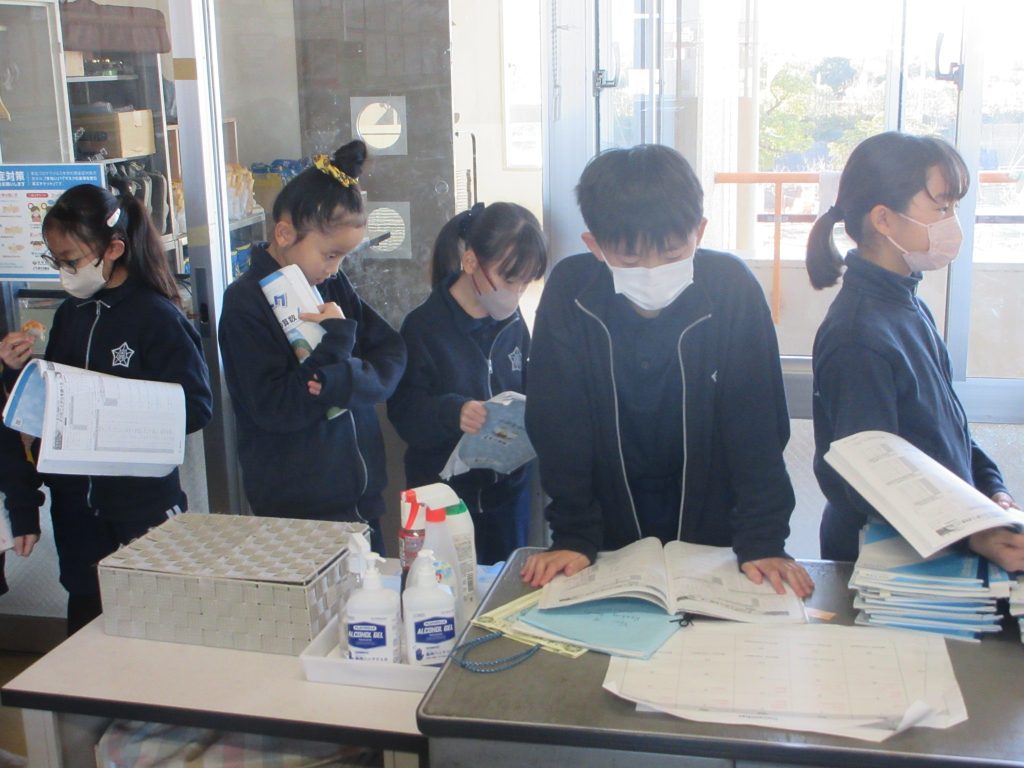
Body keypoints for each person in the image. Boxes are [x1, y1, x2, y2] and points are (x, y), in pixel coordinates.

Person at [520, 144, 813, 597]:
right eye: (631, 260)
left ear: (700, 231)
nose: (653, 271)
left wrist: (763, 539)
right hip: (606, 537)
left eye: (673, 254)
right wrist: (574, 534)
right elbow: (559, 423)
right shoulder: (570, 292)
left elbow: (756, 422)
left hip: (716, 534)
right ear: (594, 245)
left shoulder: (731, 287)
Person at [0, 182, 212, 633]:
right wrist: (16, 373)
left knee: (154, 622)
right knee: (86, 617)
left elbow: (197, 406)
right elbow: (50, 407)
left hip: (141, 505)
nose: (65, 272)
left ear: (113, 249)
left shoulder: (156, 316)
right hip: (77, 507)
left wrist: (120, 414)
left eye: (71, 261)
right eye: (56, 261)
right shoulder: (70, 314)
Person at [805, 132, 1023, 570]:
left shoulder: (907, 304)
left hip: (939, 542)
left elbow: (949, 431)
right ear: (884, 219)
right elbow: (871, 482)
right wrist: (973, 533)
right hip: (883, 561)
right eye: (941, 208)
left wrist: (993, 493)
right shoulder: (857, 334)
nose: (952, 222)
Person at [219, 140, 405, 553]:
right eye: (330, 254)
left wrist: (342, 381)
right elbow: (274, 407)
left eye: (343, 258)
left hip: (362, 497)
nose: (334, 269)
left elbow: (391, 355)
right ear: (285, 233)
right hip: (296, 511)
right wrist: (336, 345)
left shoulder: (329, 284)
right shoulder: (246, 303)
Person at [387, 202, 547, 564]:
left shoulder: (512, 322)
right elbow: (404, 413)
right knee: (442, 588)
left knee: (504, 584)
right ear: (471, 262)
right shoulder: (424, 327)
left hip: (507, 495)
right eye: (509, 280)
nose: (516, 293)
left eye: (525, 283)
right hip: (443, 501)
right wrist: (453, 412)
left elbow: (529, 382)